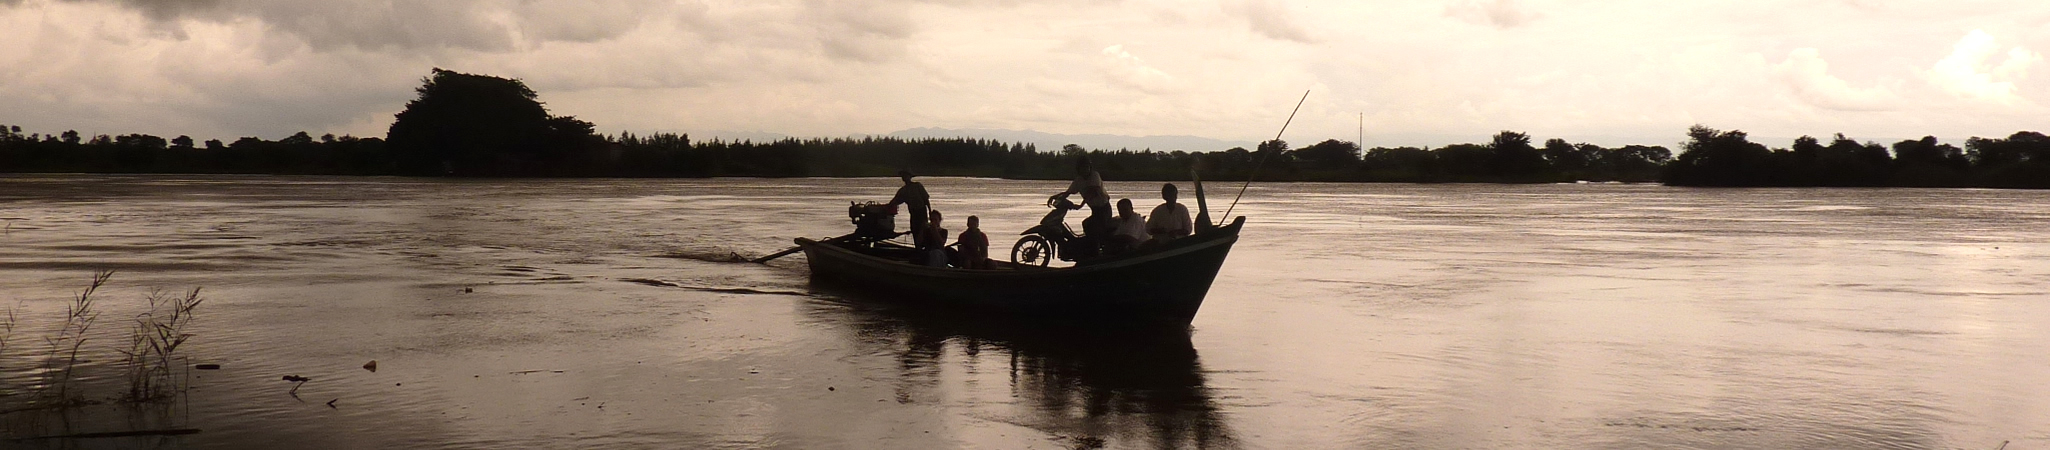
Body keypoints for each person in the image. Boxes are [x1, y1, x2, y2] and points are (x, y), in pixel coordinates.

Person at [1050, 156, 1112, 246]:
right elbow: (1069, 192)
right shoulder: (1079, 180)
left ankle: (1095, 249)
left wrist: (1081, 205)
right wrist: (1056, 197)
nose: (1085, 170)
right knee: (1086, 224)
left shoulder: (1095, 175)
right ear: (1078, 169)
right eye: (1082, 167)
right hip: (1095, 210)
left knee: (1093, 226)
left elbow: (1094, 191)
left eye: (1087, 167)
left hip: (1104, 209)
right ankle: (1089, 247)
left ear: (1090, 168)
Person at [886, 169, 932, 248]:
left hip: (922, 212)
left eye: (906, 176)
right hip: (913, 213)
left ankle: (924, 248)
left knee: (923, 230)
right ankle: (918, 248)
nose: (904, 177)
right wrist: (886, 206)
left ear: (910, 177)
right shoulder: (903, 190)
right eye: (903, 176)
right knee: (915, 230)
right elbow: (895, 200)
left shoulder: (918, 186)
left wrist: (930, 211)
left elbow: (926, 199)